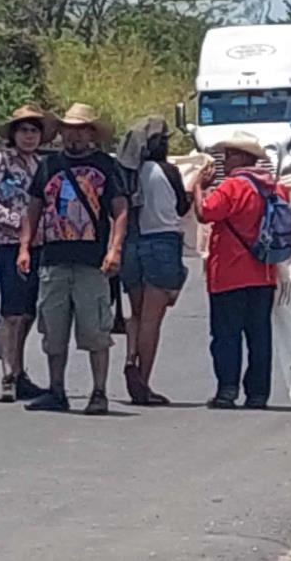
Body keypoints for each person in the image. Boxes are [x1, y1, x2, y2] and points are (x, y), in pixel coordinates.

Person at [19, 103, 128, 416]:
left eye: (81, 130)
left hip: (92, 261)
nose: (74, 136)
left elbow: (119, 209)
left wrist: (114, 249)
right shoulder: (48, 165)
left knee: (95, 330)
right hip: (54, 258)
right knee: (53, 329)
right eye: (69, 130)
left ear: (91, 134)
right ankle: (56, 390)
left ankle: (99, 392)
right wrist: (25, 246)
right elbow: (34, 208)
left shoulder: (105, 166)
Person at [191, 131, 287, 410]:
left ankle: (227, 391)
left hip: (229, 274)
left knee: (226, 336)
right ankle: (258, 394)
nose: (225, 159)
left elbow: (205, 213)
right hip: (264, 272)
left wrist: (198, 186)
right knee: (259, 337)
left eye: (230, 154)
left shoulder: (232, 187)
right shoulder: (274, 188)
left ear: (243, 158)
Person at [0, 105, 56, 403]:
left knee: (29, 311)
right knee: (12, 312)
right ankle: (8, 375)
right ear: (14, 134)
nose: (29, 136)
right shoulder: (0, 162)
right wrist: (16, 221)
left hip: (40, 244)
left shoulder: (41, 165)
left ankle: (20, 371)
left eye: (34, 131)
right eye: (23, 130)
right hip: (10, 244)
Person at [116, 116, 192, 405]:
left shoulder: (127, 174)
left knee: (136, 314)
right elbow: (182, 207)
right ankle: (143, 381)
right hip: (162, 242)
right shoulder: (168, 171)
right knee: (152, 320)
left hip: (132, 243)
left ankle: (129, 358)